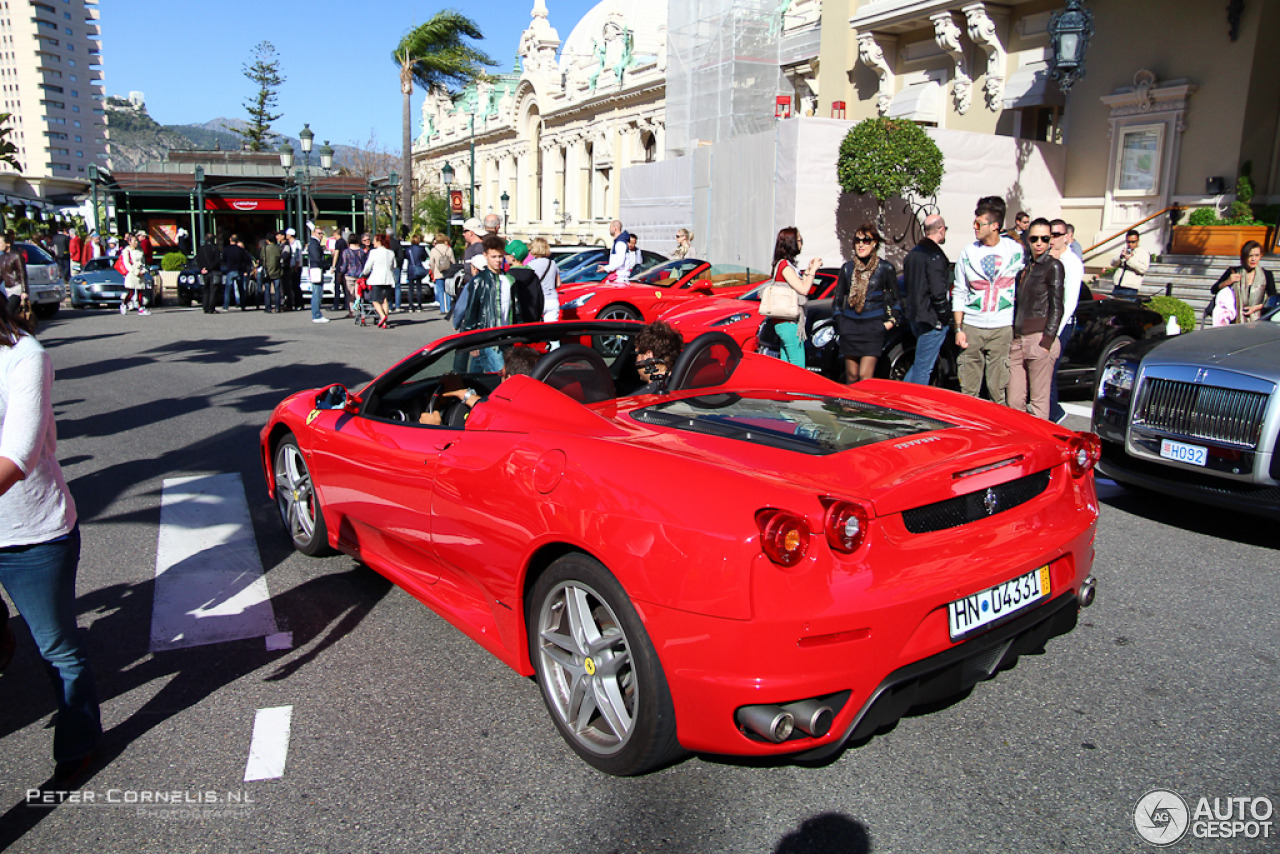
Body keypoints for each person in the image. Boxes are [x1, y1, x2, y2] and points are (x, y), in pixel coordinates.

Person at [0, 295, 101, 784]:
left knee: (57, 647)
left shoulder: (25, 356)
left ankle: (78, 744)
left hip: (30, 532)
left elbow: (18, 455)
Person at [953, 198, 1024, 405]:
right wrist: (959, 328)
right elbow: (959, 291)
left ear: (995, 226)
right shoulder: (968, 253)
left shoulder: (1015, 251)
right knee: (968, 391)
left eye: (979, 224)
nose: (974, 227)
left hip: (1002, 327)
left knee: (998, 389)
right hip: (972, 327)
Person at [1007, 218, 1065, 420]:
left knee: (1039, 404)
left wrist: (1047, 341)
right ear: (1028, 240)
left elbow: (1058, 306)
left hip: (1039, 338)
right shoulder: (1026, 268)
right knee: (1014, 402)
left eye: (1044, 238)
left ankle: (1039, 448)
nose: (1039, 242)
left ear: (1050, 241)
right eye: (1034, 238)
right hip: (1019, 339)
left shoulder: (1053, 266)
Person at [832, 223, 899, 384]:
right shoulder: (847, 269)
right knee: (852, 377)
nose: (861, 244)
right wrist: (841, 321)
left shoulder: (885, 268)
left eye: (866, 240)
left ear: (874, 243)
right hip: (850, 327)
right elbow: (837, 300)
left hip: (873, 328)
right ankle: (849, 409)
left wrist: (890, 323)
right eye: (857, 240)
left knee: (864, 377)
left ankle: (864, 409)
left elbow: (897, 299)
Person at [419, 344, 541, 425]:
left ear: (509, 378)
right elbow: (490, 407)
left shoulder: (506, 422)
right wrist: (463, 393)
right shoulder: (536, 405)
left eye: (501, 373)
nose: (499, 377)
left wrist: (436, 428)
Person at [457, 234, 523, 371]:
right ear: (485, 256)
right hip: (489, 337)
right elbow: (472, 312)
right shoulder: (479, 281)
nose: (498, 260)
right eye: (494, 257)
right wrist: (472, 342)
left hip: (507, 335)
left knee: (491, 372)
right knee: (501, 372)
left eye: (500, 256)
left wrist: (519, 330)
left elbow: (516, 308)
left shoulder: (509, 279)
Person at [761, 227, 820, 368]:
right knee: (798, 366)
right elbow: (804, 289)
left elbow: (799, 284)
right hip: (788, 324)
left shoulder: (786, 265)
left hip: (784, 323)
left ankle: (786, 390)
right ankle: (795, 391)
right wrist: (813, 270)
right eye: (799, 240)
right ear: (791, 243)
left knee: (787, 366)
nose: (801, 244)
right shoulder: (785, 267)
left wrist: (807, 270)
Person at [901, 215, 950, 385]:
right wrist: (945, 315)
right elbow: (938, 291)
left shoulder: (913, 254)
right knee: (923, 368)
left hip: (916, 314)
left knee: (919, 363)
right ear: (941, 229)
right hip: (931, 317)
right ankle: (912, 405)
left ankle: (902, 398)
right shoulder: (934, 256)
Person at [1047, 219, 1084, 423]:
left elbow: (1069, 302)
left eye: (1057, 235)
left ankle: (1054, 415)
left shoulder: (1072, 263)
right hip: (1043, 322)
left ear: (1066, 237)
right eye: (1049, 235)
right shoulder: (1045, 258)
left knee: (1049, 371)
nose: (1052, 239)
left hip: (1061, 326)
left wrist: (1055, 333)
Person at [1209, 240, 1275, 324]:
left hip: (1259, 322)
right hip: (1236, 323)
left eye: (1257, 255)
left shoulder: (1266, 275)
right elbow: (1214, 290)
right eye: (1250, 256)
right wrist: (1228, 281)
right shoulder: (1233, 271)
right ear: (1244, 257)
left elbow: (1273, 299)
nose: (1253, 259)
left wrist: (1255, 308)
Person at [628, 320, 683, 395]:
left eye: (637, 353)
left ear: (648, 355)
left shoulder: (639, 399)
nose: (636, 359)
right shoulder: (685, 385)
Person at [360, 232, 397, 329]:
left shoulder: (373, 252)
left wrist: (364, 272)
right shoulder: (391, 252)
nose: (373, 242)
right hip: (388, 278)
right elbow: (394, 266)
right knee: (385, 301)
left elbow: (368, 266)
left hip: (376, 278)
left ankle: (382, 316)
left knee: (375, 300)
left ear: (379, 241)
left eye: (374, 240)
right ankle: (385, 322)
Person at [1103, 230, 1149, 297]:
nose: (1130, 244)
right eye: (1128, 242)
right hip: (1118, 286)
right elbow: (1113, 263)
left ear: (1138, 241)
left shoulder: (1143, 253)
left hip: (1130, 288)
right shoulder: (1124, 250)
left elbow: (1143, 269)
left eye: (1133, 242)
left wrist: (1129, 260)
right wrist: (1121, 257)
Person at [525, 237, 561, 322]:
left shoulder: (530, 265)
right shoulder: (552, 264)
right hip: (552, 299)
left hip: (537, 300)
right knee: (551, 329)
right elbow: (558, 284)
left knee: (536, 328)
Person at [120, 233, 151, 316]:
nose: (136, 242)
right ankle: (124, 304)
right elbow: (126, 263)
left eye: (137, 241)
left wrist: (143, 270)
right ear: (129, 242)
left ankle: (141, 308)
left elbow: (143, 262)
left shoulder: (140, 250)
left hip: (140, 273)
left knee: (140, 291)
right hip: (132, 274)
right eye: (134, 241)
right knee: (131, 292)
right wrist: (135, 272)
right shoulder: (126, 251)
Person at [220, 234, 251, 312]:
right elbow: (247, 260)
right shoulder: (241, 250)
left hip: (230, 269)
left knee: (228, 289)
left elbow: (222, 260)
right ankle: (242, 305)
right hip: (239, 270)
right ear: (237, 241)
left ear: (230, 239)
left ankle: (226, 305)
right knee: (241, 289)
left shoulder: (226, 249)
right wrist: (246, 270)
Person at [0, 231, 28, 316]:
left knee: (9, 310)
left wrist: (24, 291)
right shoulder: (1, 257)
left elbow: (22, 274)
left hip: (16, 289)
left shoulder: (16, 256)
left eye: (0, 243)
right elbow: (1, 275)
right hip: (6, 289)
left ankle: (16, 328)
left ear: (7, 243)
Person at [597, 220, 633, 284]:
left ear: (615, 228)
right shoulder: (619, 242)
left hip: (620, 279)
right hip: (617, 278)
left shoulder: (620, 243)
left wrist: (606, 268)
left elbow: (620, 262)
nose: (609, 229)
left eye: (610, 227)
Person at [427, 232, 454, 316]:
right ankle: (449, 307)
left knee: (440, 290)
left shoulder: (434, 250)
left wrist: (433, 270)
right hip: (448, 272)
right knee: (448, 290)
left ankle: (442, 308)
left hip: (438, 272)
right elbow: (453, 261)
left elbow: (431, 262)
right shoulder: (449, 249)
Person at [196, 233, 222, 315]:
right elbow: (217, 260)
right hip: (213, 271)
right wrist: (209, 268)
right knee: (213, 290)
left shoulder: (201, 249)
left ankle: (205, 306)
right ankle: (211, 307)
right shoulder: (216, 248)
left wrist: (202, 268)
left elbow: (198, 259)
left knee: (206, 289)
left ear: (205, 239)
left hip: (204, 271)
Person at [307, 227, 328, 324]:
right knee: (317, 293)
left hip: (317, 268)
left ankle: (317, 314)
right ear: (314, 234)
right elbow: (316, 257)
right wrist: (324, 264)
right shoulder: (314, 243)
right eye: (319, 233)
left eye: (322, 234)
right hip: (316, 269)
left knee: (318, 292)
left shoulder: (315, 244)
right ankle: (316, 315)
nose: (321, 235)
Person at [404, 233, 429, 312]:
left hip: (411, 268)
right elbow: (424, 258)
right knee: (418, 288)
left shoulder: (408, 249)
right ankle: (419, 305)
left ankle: (410, 305)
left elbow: (406, 257)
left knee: (410, 288)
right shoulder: (421, 249)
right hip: (418, 268)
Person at [262, 231, 285, 313]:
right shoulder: (278, 248)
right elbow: (280, 259)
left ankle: (268, 307)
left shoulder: (265, 249)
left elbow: (263, 259)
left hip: (268, 272)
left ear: (267, 240)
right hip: (277, 271)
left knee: (267, 290)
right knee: (277, 290)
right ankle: (277, 307)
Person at [329, 228, 349, 313]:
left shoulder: (338, 242)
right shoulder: (344, 242)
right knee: (345, 286)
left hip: (339, 266)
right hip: (344, 266)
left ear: (336, 234)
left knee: (337, 286)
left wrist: (333, 266)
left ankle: (336, 304)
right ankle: (346, 304)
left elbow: (336, 254)